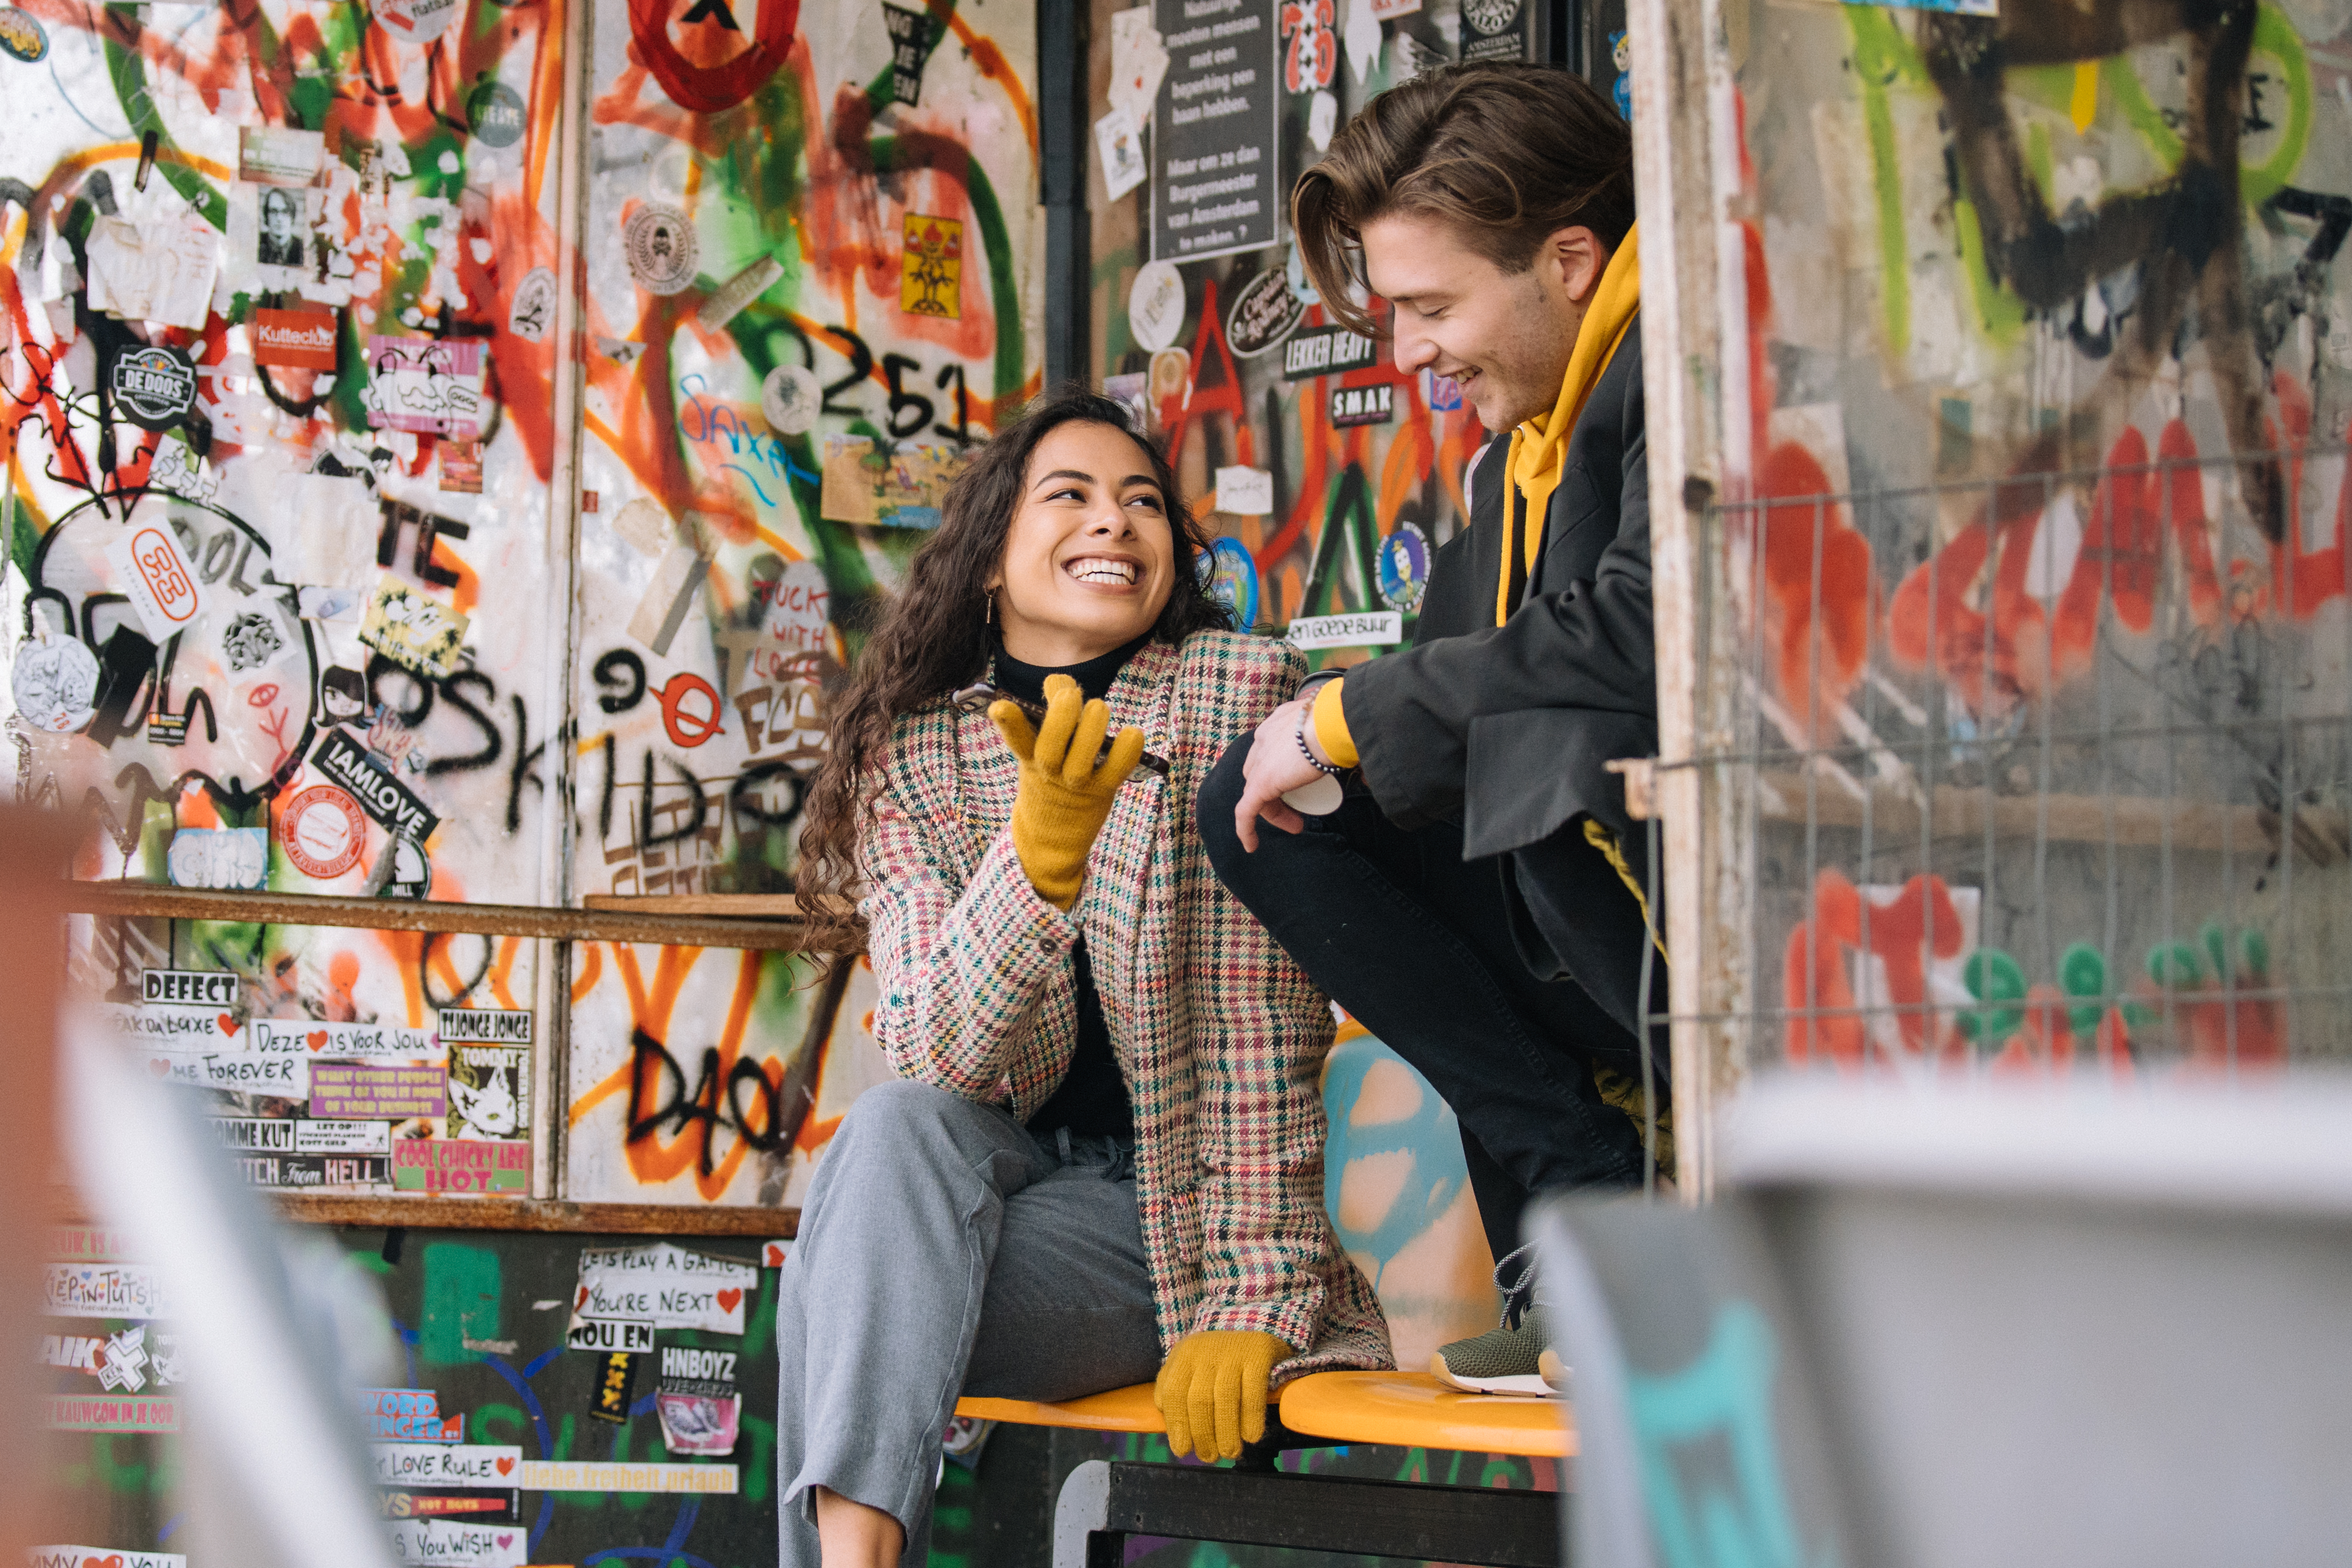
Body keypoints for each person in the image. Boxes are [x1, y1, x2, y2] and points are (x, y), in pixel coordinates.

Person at [788, 389, 1391, 1568]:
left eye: (1142, 502)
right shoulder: (906, 757)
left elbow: (1257, 1031)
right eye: (1068, 496)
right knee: (893, 1128)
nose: (1113, 522)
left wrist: (1252, 1305)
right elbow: (934, 1055)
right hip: (979, 1189)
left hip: (1157, 1222)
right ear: (988, 565)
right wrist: (1038, 857)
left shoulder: (1234, 698)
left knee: (834, 1290)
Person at [1199, 61, 1660, 1396]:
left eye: (1429, 305)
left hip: (1716, 940)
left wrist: (1349, 709)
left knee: (1422, 744)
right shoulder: (1516, 455)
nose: (1408, 353)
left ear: (1569, 261)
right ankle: (1576, 1200)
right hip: (1585, 931)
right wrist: (1324, 730)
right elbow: (1455, 690)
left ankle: (1600, 1205)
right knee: (1268, 806)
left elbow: (1635, 632)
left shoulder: (1677, 379)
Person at [258, 187, 304, 268]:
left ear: (292, 217)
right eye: (274, 211)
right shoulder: (257, 242)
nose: (279, 218)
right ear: (267, 216)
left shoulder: (302, 248)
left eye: (285, 212)